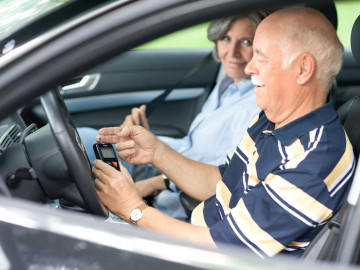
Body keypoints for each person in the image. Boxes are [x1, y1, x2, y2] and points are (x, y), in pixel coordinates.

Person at [92, 8, 355, 258]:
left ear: (302, 69)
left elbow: (224, 249)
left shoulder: (312, 162)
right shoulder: (272, 120)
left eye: (260, 56)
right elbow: (221, 181)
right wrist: (157, 153)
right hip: (195, 235)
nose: (249, 67)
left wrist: (133, 210)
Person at [80, 12, 265, 219]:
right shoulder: (229, 84)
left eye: (246, 42)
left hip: (168, 199)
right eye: (225, 39)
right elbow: (191, 146)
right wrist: (148, 139)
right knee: (84, 139)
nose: (232, 52)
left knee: (79, 151)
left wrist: (153, 183)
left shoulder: (256, 104)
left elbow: (223, 177)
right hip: (159, 169)